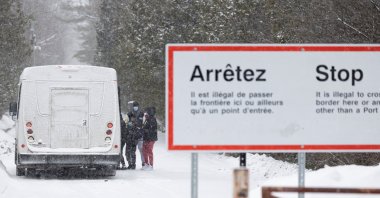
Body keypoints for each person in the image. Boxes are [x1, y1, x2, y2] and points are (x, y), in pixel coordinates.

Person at [125, 101, 144, 169]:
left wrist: (138, 134)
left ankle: (133, 164)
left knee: (133, 152)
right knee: (128, 152)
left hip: (135, 138)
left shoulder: (141, 114)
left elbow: (142, 125)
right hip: (129, 138)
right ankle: (130, 163)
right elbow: (125, 125)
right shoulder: (129, 115)